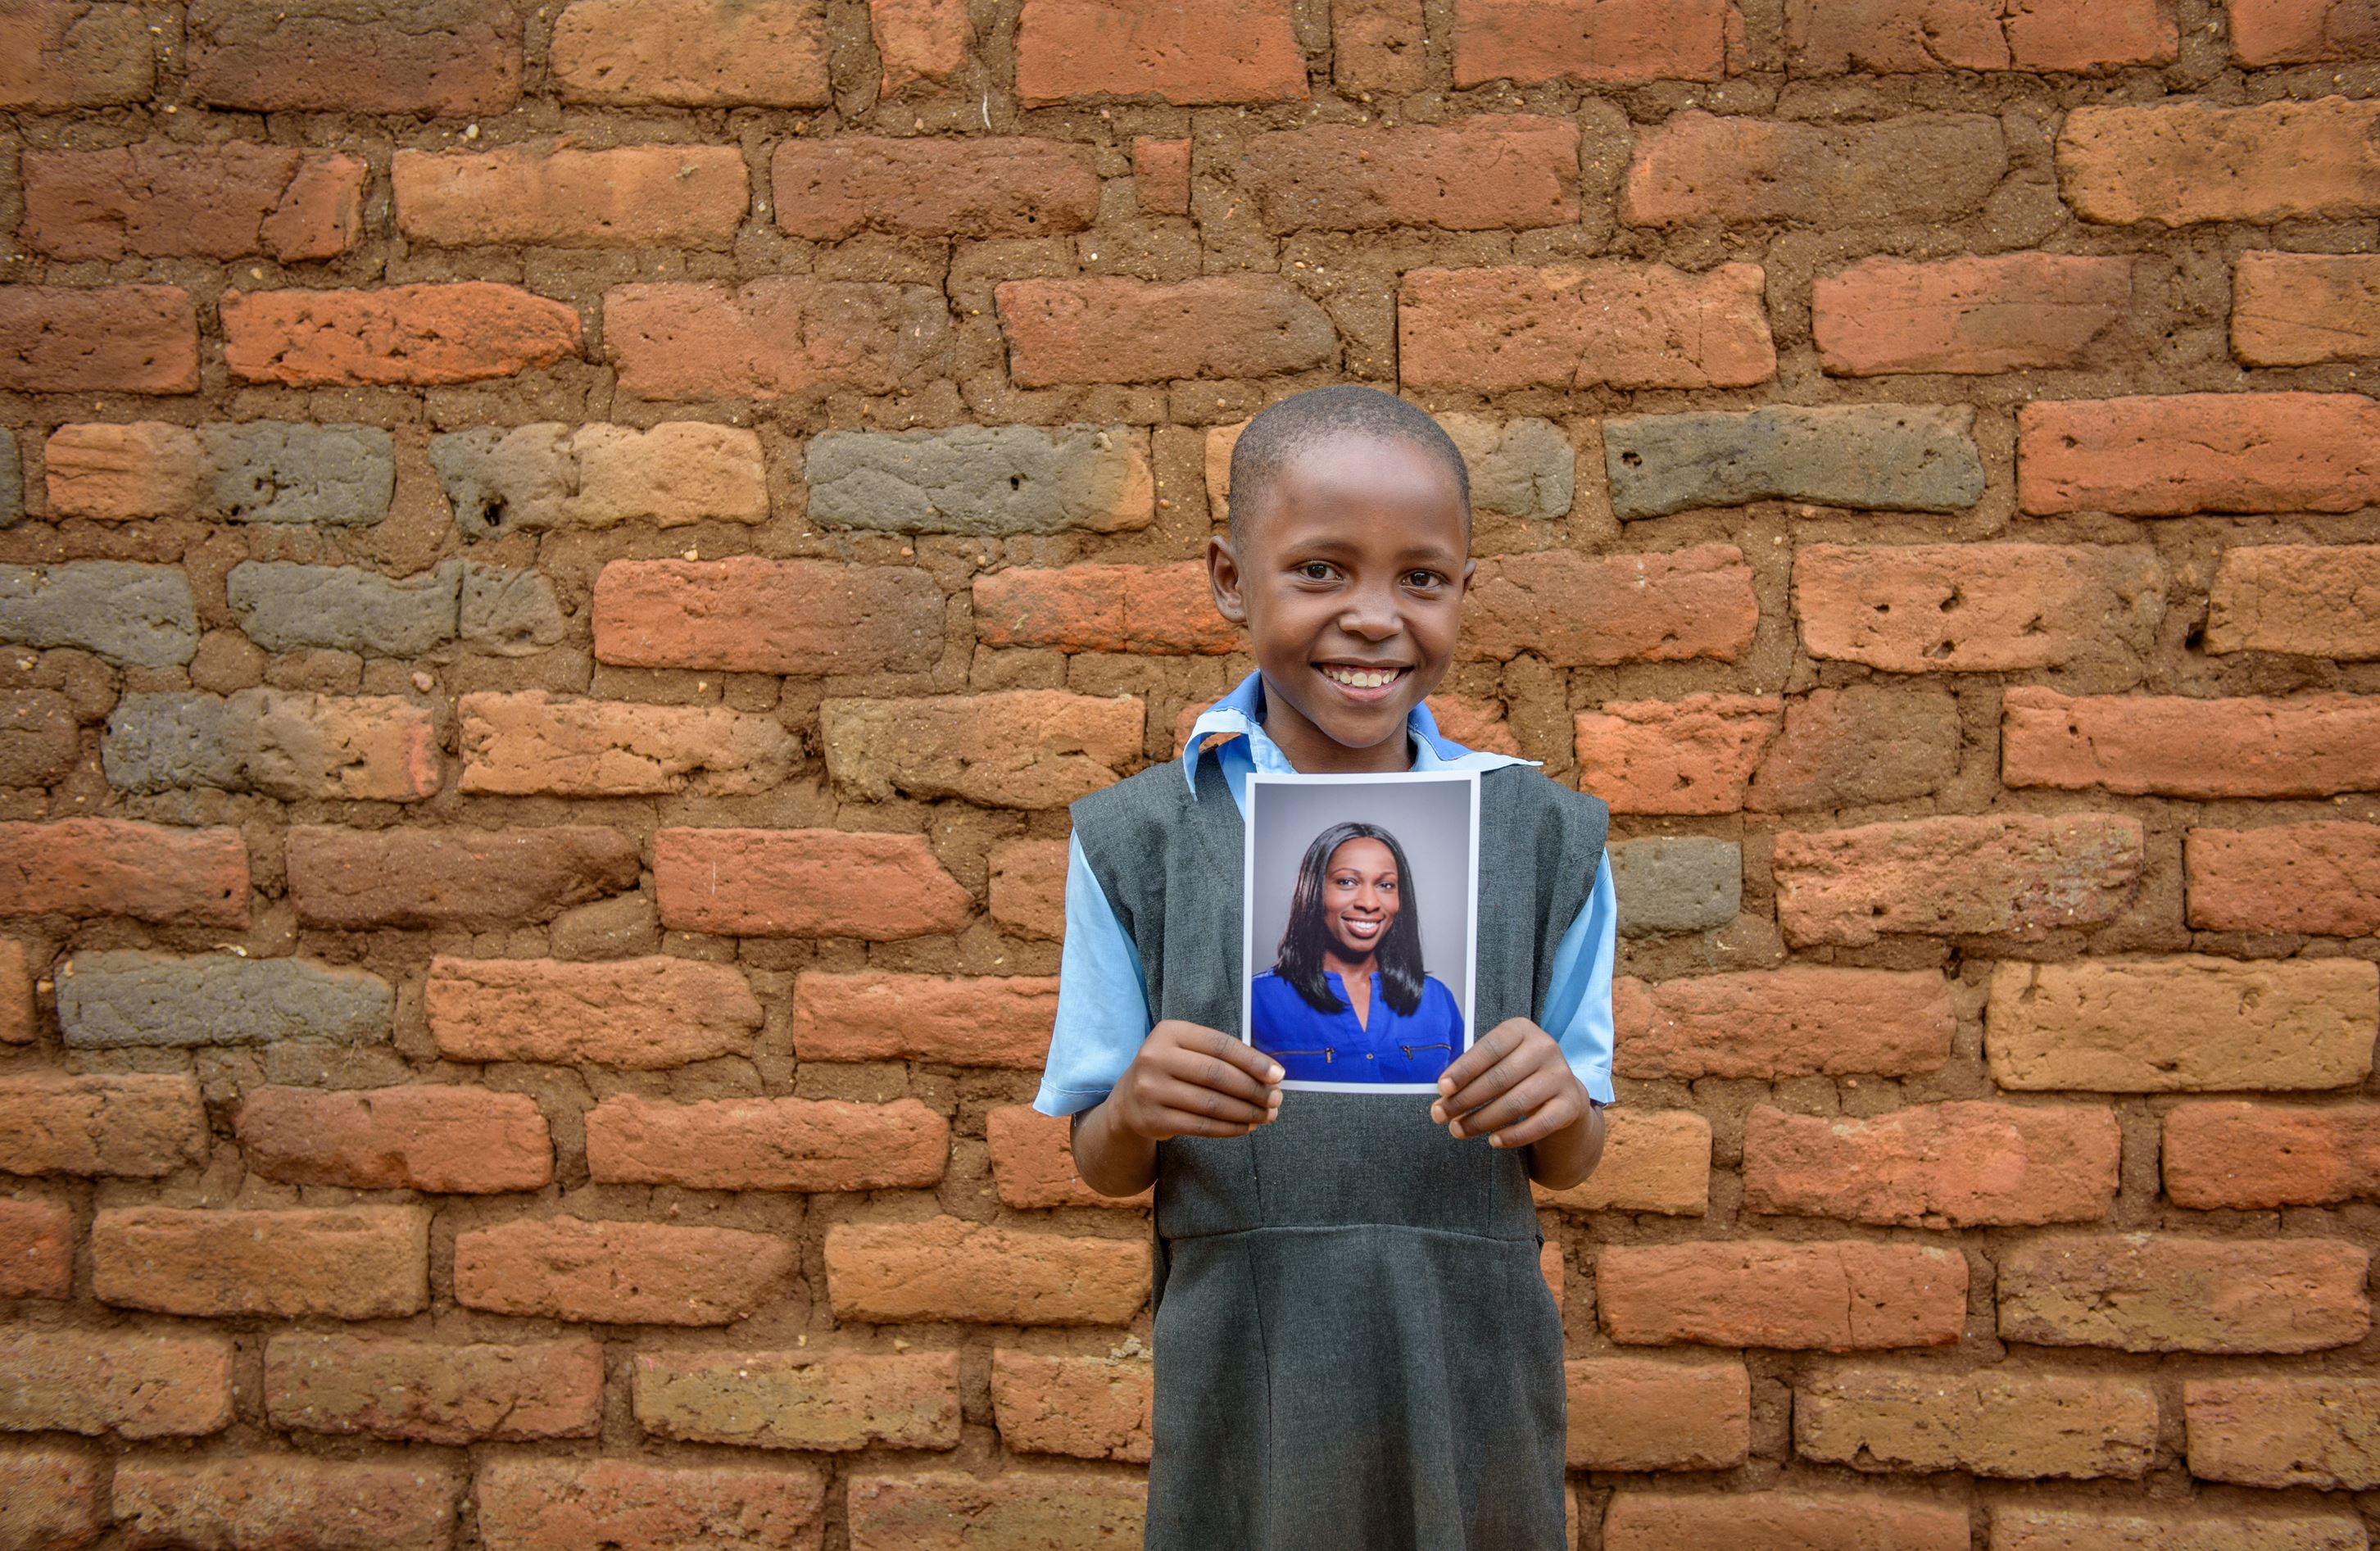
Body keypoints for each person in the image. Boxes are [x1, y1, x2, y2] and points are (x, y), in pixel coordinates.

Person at [1031, 383, 1616, 1551]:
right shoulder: (1138, 838)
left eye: (1421, 577)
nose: (1372, 617)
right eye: (1319, 570)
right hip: (1253, 1356)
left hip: (1470, 1350)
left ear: (1463, 594)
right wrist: (1136, 1109)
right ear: (1228, 579)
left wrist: (1557, 1101)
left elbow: (1574, 1153)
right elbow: (1099, 1160)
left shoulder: (1544, 835)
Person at [1250, 821, 1467, 1084]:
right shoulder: (1257, 999)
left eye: (1385, 885)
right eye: (1347, 882)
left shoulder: (1437, 999)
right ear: (1314, 891)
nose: (1369, 903)